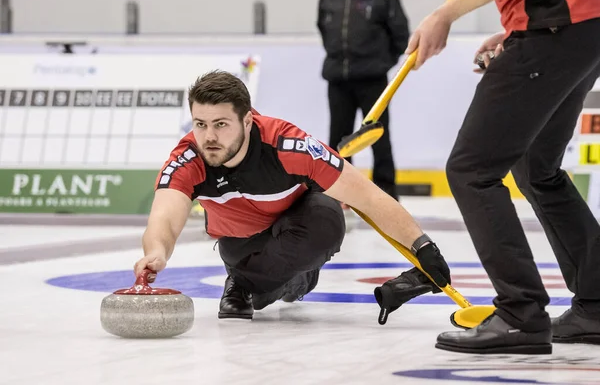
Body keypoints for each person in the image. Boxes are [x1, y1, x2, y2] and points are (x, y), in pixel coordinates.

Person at [132, 70, 452, 320]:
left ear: (247, 120)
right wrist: (157, 251)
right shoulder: (190, 157)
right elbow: (165, 217)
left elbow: (367, 197)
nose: (209, 136)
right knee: (274, 274)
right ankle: (258, 279)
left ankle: (245, 285)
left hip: (299, 231)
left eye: (221, 124)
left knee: (329, 217)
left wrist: (422, 246)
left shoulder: (288, 145)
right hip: (243, 247)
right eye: (200, 124)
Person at [403, 0, 600, 354]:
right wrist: (515, 27)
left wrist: (443, 15)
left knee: (471, 170)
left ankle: (520, 313)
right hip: (581, 28)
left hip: (554, 28)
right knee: (536, 167)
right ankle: (596, 305)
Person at [317, 0, 410, 200]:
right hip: (338, 80)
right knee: (338, 141)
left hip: (373, 80)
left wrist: (381, 64)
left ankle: (385, 195)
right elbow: (323, 27)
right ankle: (340, 195)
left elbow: (400, 35)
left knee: (379, 138)